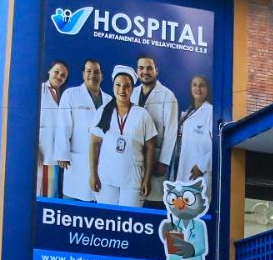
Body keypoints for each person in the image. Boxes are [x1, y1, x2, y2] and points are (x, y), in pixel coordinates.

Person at [89, 66, 158, 208]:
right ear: (113, 86)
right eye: (118, 85)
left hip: (133, 180)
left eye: (127, 86)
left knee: (129, 222)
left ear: (132, 89)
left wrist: (147, 179)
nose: (122, 90)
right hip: (106, 179)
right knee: (107, 221)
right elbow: (94, 143)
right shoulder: (103, 111)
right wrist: (93, 174)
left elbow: (150, 147)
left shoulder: (142, 114)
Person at [57, 59, 109, 202]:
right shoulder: (70, 94)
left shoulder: (110, 100)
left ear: (102, 76)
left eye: (96, 72)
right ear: (82, 74)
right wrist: (62, 153)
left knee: (99, 199)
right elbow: (63, 124)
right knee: (74, 199)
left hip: (103, 158)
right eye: (89, 71)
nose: (93, 75)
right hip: (78, 158)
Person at [133, 55, 179, 207]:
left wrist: (164, 162)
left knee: (153, 199)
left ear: (156, 71)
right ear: (136, 71)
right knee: (133, 199)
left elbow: (171, 131)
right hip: (133, 155)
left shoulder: (168, 95)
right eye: (141, 68)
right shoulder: (131, 93)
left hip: (157, 156)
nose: (145, 72)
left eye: (149, 68)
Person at [171, 74, 215, 200]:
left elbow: (217, 145)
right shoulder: (188, 113)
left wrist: (202, 166)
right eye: (195, 85)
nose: (198, 88)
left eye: (202, 85)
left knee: (193, 213)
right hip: (182, 168)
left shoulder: (211, 112)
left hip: (198, 173)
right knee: (179, 212)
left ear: (207, 89)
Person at [36, 60, 69, 197]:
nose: (59, 77)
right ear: (49, 71)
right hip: (43, 154)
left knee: (53, 194)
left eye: (63, 75)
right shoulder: (39, 90)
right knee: (43, 195)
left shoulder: (65, 96)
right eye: (56, 72)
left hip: (58, 156)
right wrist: (35, 148)